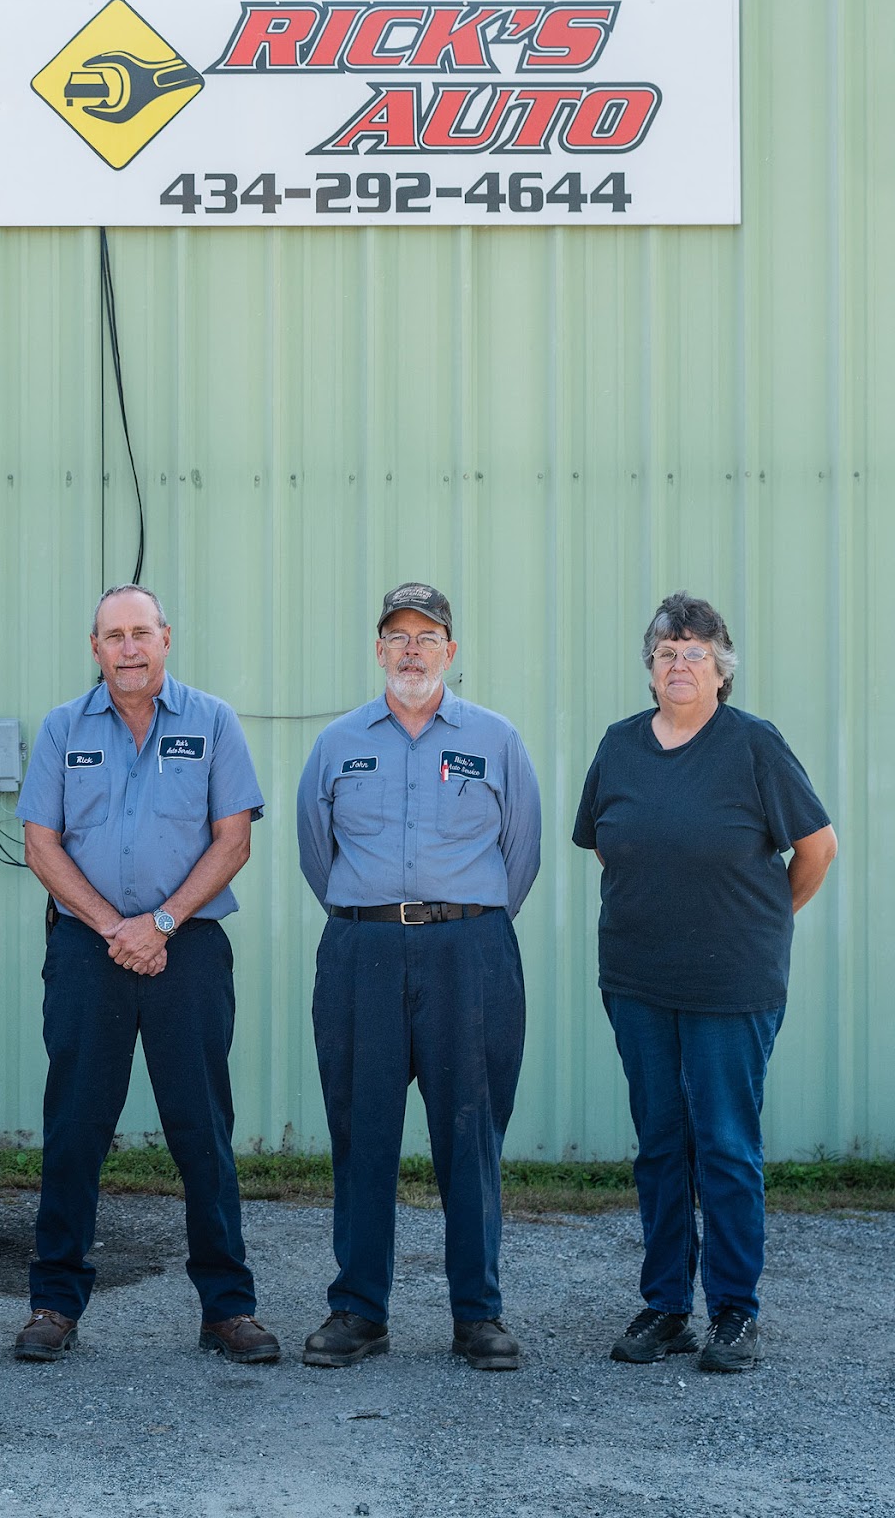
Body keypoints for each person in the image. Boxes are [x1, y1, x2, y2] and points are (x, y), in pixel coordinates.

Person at [12, 584, 279, 1365]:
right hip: (87, 949)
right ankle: (53, 1304)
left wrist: (159, 923)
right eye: (113, 636)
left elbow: (233, 839)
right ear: (95, 648)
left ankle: (228, 1308)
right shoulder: (63, 728)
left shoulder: (213, 722)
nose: (128, 648)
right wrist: (114, 927)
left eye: (140, 633)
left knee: (203, 1130)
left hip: (187, 949)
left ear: (165, 638)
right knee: (74, 1128)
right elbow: (40, 845)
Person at [574, 592, 836, 1375]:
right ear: (650, 668)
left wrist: (762, 922)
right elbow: (607, 844)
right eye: (667, 652)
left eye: (696, 652)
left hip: (732, 984)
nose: (680, 664)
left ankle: (734, 1311)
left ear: (721, 670)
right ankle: (666, 1307)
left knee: (724, 1145)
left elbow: (817, 849)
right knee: (660, 1145)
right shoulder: (619, 745)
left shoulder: (754, 744)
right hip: (639, 980)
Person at [296, 582, 541, 1372]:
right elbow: (315, 851)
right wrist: (373, 915)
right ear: (379, 650)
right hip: (361, 951)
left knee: (470, 1135)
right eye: (398, 636)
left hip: (469, 953)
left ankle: (478, 1315)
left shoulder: (496, 739)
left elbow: (522, 852)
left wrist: (462, 922)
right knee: (362, 1133)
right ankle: (359, 1311)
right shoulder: (337, 742)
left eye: (427, 636)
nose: (411, 650)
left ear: (450, 651)